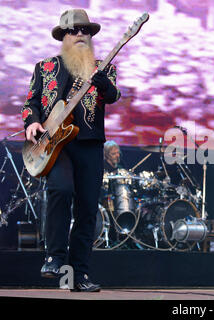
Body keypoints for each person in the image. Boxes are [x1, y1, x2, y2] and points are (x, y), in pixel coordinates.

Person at [21, 9, 121, 292]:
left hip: (89, 144)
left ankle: (78, 276)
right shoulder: (45, 68)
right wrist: (32, 122)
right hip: (55, 145)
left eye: (85, 30)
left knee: (88, 208)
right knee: (61, 190)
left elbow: (113, 96)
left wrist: (102, 83)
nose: (80, 34)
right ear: (63, 36)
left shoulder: (104, 67)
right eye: (74, 30)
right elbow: (31, 103)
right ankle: (54, 256)